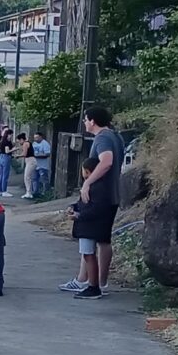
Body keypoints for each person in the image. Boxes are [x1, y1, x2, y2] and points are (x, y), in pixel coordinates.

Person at [60, 107, 127, 294]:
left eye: (85, 119)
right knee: (102, 239)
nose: (84, 122)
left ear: (93, 121)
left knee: (91, 238)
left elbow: (107, 161)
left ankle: (90, 282)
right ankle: (95, 281)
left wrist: (87, 183)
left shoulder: (102, 138)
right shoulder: (116, 136)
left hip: (100, 195)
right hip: (112, 194)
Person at [67, 158, 113, 300]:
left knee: (88, 255)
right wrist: (73, 207)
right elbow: (82, 203)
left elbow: (94, 209)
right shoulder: (97, 186)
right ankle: (93, 285)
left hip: (89, 227)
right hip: (90, 226)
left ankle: (93, 286)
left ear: (87, 172)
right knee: (88, 255)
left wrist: (78, 215)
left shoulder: (95, 187)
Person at [0, 128, 15, 197]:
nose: (11, 136)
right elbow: (7, 151)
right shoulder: (7, 142)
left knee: (1, 175)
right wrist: (14, 149)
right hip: (6, 157)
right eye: (11, 135)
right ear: (8, 135)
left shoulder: (2, 141)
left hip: (1, 157)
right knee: (5, 175)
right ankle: (4, 191)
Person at [32, 132, 52, 196]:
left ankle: (46, 193)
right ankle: (35, 192)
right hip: (35, 165)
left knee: (44, 179)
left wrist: (37, 156)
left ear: (41, 137)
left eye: (37, 137)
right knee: (34, 179)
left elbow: (47, 154)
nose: (35, 139)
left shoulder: (45, 144)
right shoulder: (34, 143)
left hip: (43, 165)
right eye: (35, 138)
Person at [19, 132, 37, 199]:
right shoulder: (28, 143)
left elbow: (24, 154)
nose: (19, 142)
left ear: (21, 139)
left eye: (19, 141)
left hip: (30, 161)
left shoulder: (25, 144)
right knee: (28, 177)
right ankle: (29, 192)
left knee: (27, 177)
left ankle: (28, 193)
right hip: (31, 161)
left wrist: (18, 156)